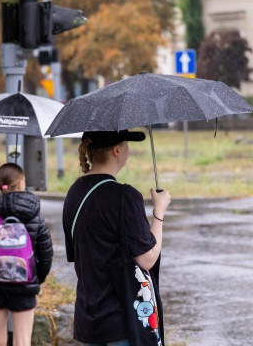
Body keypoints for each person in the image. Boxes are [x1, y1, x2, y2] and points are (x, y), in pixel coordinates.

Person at [61, 130, 171, 346]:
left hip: (89, 321)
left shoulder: (74, 192)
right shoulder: (124, 196)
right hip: (123, 321)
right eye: (127, 144)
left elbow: (78, 253)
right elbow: (147, 259)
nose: (128, 149)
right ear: (117, 150)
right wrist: (159, 211)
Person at [0, 163, 54, 346]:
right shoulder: (35, 217)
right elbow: (46, 255)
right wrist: (34, 279)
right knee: (22, 342)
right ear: (21, 183)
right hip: (25, 284)